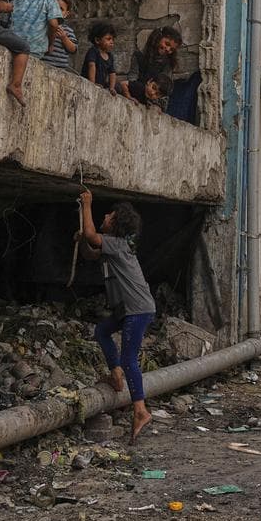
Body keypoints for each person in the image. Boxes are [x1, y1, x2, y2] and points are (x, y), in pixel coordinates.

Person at [76, 189, 156, 443]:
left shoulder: (118, 245)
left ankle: (141, 410)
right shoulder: (114, 247)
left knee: (129, 357)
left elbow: (92, 235)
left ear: (116, 223)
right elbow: (90, 250)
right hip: (129, 309)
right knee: (101, 331)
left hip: (138, 308)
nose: (105, 216)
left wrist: (87, 203)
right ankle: (116, 375)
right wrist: (80, 240)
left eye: (109, 215)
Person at [10, 0, 64, 66]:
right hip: (35, 49)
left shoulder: (16, 1)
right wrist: (51, 44)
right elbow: (53, 24)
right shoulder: (50, 2)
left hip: (12, 46)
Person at [82, 22, 132, 100]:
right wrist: (92, 84)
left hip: (100, 86)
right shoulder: (93, 51)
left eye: (112, 39)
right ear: (97, 40)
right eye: (108, 39)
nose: (112, 42)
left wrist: (111, 88)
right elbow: (91, 66)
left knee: (118, 88)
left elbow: (112, 73)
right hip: (88, 83)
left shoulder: (110, 56)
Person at [40, 0, 78, 70]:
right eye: (54, 7)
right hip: (42, 64)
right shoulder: (42, 26)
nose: (57, 10)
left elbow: (73, 49)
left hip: (60, 68)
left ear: (66, 14)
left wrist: (64, 38)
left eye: (61, 9)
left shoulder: (67, 31)